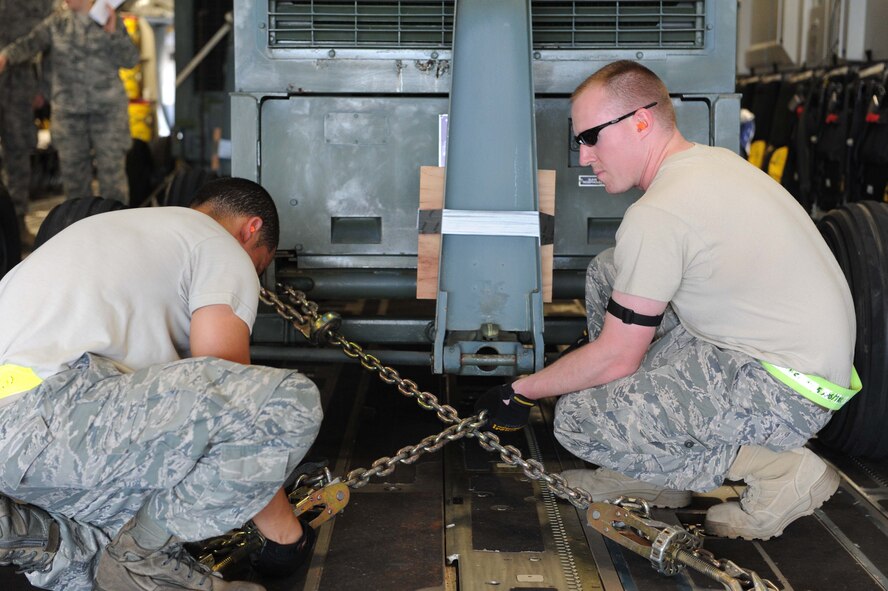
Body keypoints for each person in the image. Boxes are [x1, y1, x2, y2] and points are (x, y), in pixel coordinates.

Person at [476, 60, 859, 541]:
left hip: (786, 391)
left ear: (640, 121)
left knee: (578, 418)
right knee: (609, 270)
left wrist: (523, 391)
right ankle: (650, 470)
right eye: (579, 142)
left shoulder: (658, 213)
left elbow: (616, 357)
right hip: (790, 359)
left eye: (591, 137)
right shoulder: (711, 162)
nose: (585, 156)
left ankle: (782, 471)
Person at [0, 177, 323, 590]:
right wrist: (284, 534)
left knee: (108, 550)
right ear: (251, 230)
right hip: (51, 414)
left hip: (33, 449)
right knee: (288, 405)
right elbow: (235, 404)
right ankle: (144, 554)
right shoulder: (218, 244)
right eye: (260, 265)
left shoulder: (113, 233)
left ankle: (34, 537)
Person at [0, 0, 139, 205]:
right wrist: (5, 57)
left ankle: (115, 224)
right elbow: (30, 44)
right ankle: (80, 223)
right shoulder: (57, 22)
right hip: (68, 115)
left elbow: (130, 59)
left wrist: (114, 33)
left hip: (107, 114)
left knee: (112, 181)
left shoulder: (107, 18)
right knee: (75, 184)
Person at [0, 0, 57, 247]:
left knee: (18, 155)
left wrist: (42, 86)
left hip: (20, 85)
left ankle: (16, 224)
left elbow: (49, 42)